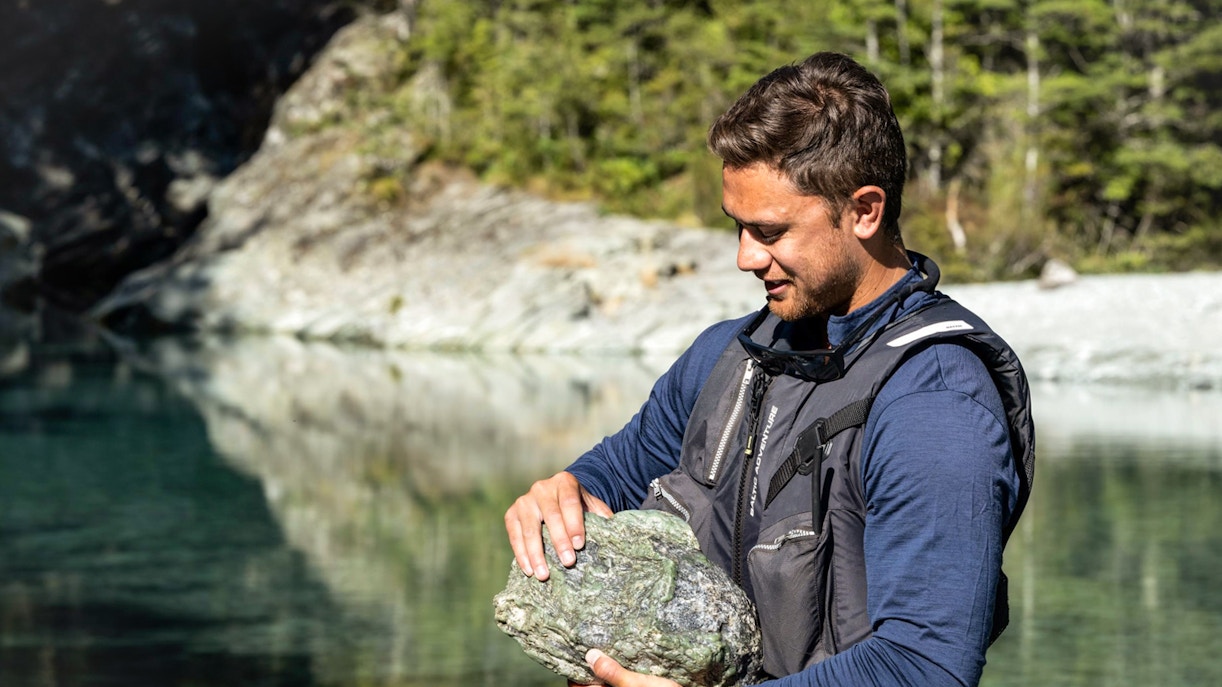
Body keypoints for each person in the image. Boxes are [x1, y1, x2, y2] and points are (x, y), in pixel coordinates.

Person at [504, 51, 1035, 687]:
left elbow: (926, 667)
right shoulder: (726, 355)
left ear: (865, 210)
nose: (744, 257)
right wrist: (564, 491)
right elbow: (615, 474)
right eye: (737, 227)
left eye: (770, 230)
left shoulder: (937, 402)